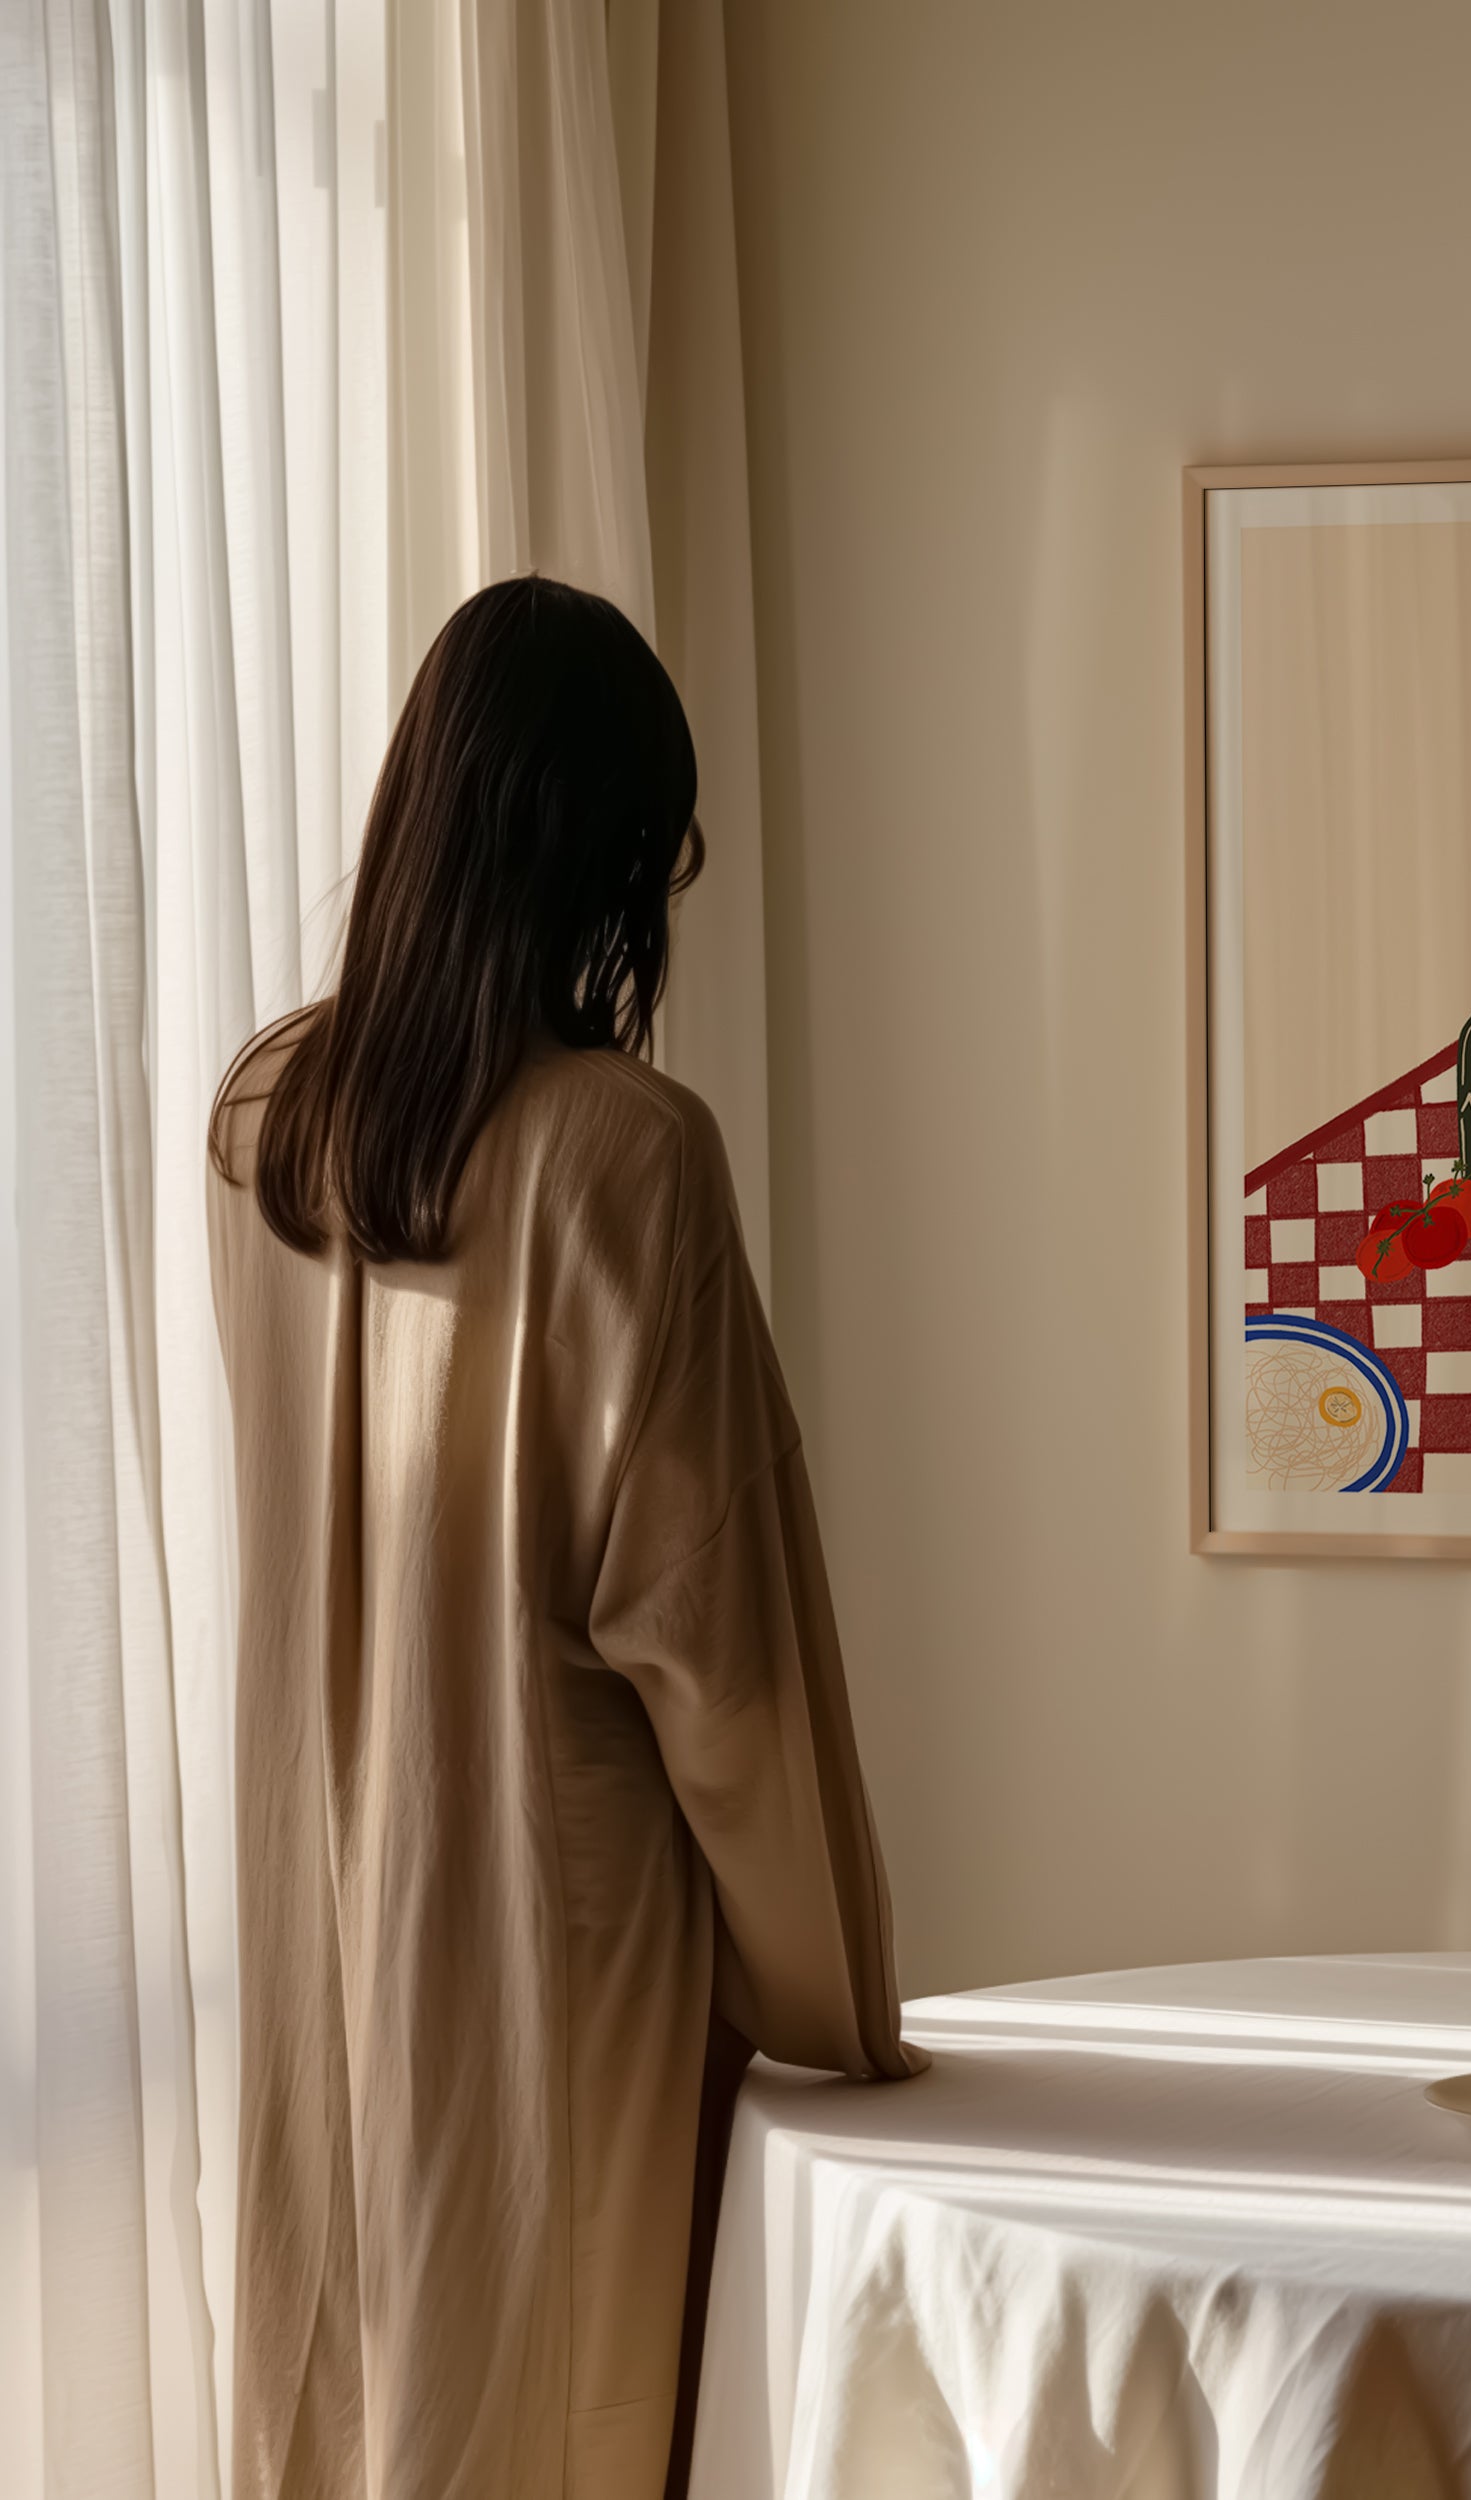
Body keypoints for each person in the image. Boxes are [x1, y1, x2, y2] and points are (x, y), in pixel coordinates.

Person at [208, 577, 920, 2500]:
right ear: (605, 853)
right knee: (570, 2410)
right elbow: (726, 1652)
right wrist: (833, 2006)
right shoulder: (629, 1150)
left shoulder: (271, 1121)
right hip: (559, 1918)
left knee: (361, 2384)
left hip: (331, 1888)